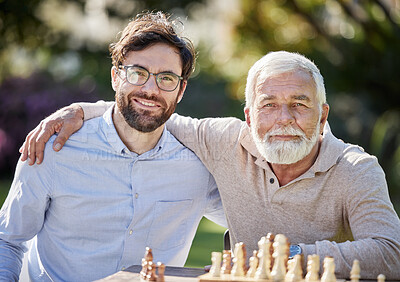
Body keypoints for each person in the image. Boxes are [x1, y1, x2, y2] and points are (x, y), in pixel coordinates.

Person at [20, 51, 400, 279]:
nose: (284, 118)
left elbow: (391, 252)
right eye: (269, 104)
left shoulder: (356, 168)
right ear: (249, 116)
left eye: (300, 104)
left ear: (322, 115)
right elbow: (147, 109)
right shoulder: (224, 140)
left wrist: (294, 257)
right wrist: (80, 110)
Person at [0, 11, 226, 281]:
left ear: (181, 90)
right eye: (138, 73)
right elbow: (8, 240)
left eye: (167, 78)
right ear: (116, 77)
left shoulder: (198, 167)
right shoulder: (53, 149)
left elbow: (253, 221)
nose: (151, 89)